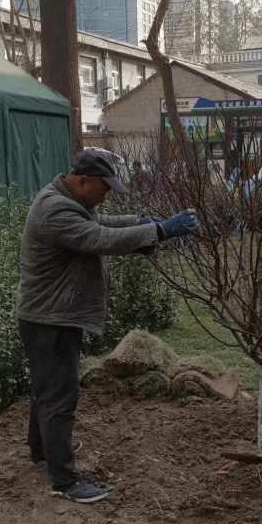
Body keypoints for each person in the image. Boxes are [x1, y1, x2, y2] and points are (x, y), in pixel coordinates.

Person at [17, 149, 199, 504]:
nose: (106, 196)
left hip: (47, 314)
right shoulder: (55, 210)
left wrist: (141, 222)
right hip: (49, 319)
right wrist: (160, 231)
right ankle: (65, 481)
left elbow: (101, 226)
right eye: (104, 188)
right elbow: (98, 239)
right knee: (60, 396)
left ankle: (43, 452)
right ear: (82, 181)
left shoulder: (66, 199)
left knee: (47, 390)